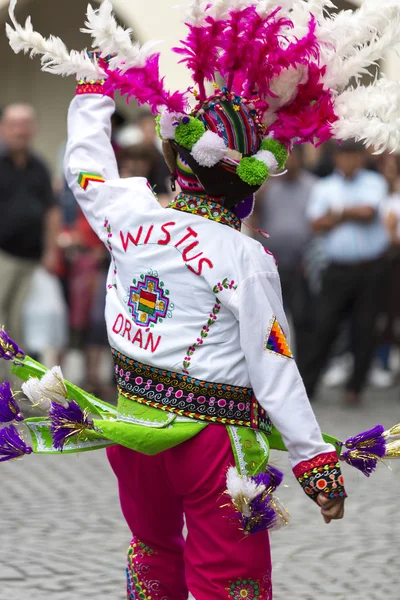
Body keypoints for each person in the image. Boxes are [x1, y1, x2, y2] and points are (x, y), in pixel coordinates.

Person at [5, 0, 400, 598]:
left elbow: (85, 170)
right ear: (251, 179)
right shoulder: (245, 257)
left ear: (174, 157)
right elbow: (273, 364)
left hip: (133, 427)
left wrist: (93, 90)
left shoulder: (127, 214)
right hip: (210, 442)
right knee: (228, 577)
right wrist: (312, 459)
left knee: (154, 554)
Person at [300, 141, 390, 403]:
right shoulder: (324, 186)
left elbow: (368, 213)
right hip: (337, 270)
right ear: (337, 158)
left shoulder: (374, 182)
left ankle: (355, 387)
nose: (349, 161)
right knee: (324, 326)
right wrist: (346, 214)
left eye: (353, 156)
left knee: (365, 328)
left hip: (370, 268)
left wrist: (336, 214)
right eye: (344, 156)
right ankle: (308, 385)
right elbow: (316, 223)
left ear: (360, 158)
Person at [0, 103, 60, 368]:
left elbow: (51, 212)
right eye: (14, 125)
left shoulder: (39, 167)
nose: (20, 131)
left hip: (31, 259)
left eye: (25, 125)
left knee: (19, 324)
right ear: (3, 128)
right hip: (3, 255)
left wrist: (51, 251)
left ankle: (13, 388)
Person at [254, 147, 316, 367]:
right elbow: (255, 218)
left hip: (301, 265)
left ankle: (305, 371)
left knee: (302, 319)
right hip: (272, 265)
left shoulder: (313, 186)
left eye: (294, 157)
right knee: (271, 321)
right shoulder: (269, 188)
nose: (289, 163)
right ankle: (274, 366)